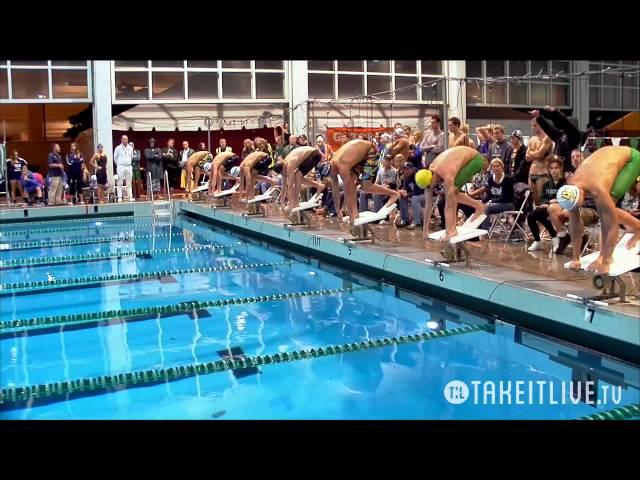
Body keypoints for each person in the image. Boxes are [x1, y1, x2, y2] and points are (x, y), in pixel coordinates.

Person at [556, 145, 640, 274]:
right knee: (606, 211)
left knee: (607, 208)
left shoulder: (598, 188)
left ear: (582, 194)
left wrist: (605, 261)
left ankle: (608, 254)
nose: (576, 209)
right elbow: (575, 224)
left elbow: (612, 227)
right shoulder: (571, 188)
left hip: (632, 159)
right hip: (605, 159)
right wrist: (575, 258)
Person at [421, 146, 486, 241]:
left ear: (432, 177)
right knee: (452, 193)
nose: (430, 188)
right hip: (460, 157)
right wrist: (425, 230)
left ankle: (452, 230)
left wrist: (449, 232)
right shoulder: (429, 175)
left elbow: (449, 205)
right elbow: (428, 204)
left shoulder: (447, 174)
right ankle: (478, 205)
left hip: (475, 159)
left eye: (429, 185)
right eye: (427, 187)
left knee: (451, 195)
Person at [327, 139, 399, 224]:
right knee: (352, 183)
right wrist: (338, 212)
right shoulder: (331, 167)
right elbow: (335, 191)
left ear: (333, 167)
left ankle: (394, 194)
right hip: (359, 156)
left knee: (365, 186)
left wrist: (351, 219)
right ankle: (355, 214)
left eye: (333, 174)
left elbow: (348, 192)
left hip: (370, 151)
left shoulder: (342, 166)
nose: (334, 175)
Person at [527, 157, 566, 252]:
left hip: (561, 208)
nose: (554, 171)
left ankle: (555, 237)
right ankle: (538, 241)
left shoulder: (565, 183)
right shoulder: (547, 184)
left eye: (556, 168)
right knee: (531, 216)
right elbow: (543, 199)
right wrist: (547, 203)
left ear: (560, 169)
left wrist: (554, 201)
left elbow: (566, 198)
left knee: (543, 214)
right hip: (548, 207)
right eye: (551, 168)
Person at [531, 106, 581, 174]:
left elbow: (567, 125)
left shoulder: (574, 138)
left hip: (568, 173)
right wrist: (538, 117)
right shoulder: (561, 136)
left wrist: (555, 113)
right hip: (558, 173)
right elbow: (549, 129)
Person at [479, 159, 515, 230]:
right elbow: (489, 195)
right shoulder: (490, 179)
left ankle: (485, 231)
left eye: (498, 166)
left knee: (486, 207)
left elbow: (505, 197)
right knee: (479, 205)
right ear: (491, 168)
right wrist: (481, 201)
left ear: (502, 167)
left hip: (507, 204)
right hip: (494, 204)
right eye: (493, 166)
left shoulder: (507, 179)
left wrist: (490, 202)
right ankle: (479, 229)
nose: (495, 168)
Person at [526, 119, 554, 204]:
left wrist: (532, 153)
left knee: (543, 200)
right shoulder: (532, 139)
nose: (533, 128)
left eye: (535, 125)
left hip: (543, 173)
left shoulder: (547, 138)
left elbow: (540, 155)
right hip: (531, 173)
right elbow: (526, 157)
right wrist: (535, 154)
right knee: (535, 200)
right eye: (532, 126)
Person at [113, 135, 134, 202]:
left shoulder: (130, 148)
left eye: (126, 139)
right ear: (121, 140)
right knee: (120, 182)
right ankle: (119, 197)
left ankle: (130, 196)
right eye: (124, 139)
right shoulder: (118, 148)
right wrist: (119, 164)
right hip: (121, 166)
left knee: (129, 182)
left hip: (128, 166)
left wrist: (128, 162)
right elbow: (115, 158)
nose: (125, 140)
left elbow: (131, 156)